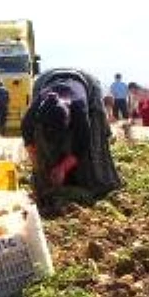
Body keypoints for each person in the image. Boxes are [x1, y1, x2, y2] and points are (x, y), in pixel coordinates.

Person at [21, 68, 121, 201]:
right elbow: (28, 136)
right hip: (45, 80)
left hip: (86, 81)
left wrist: (63, 168)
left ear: (69, 118)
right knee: (41, 140)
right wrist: (36, 162)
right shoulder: (35, 110)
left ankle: (97, 182)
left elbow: (82, 143)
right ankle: (44, 184)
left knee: (95, 140)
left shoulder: (79, 107)